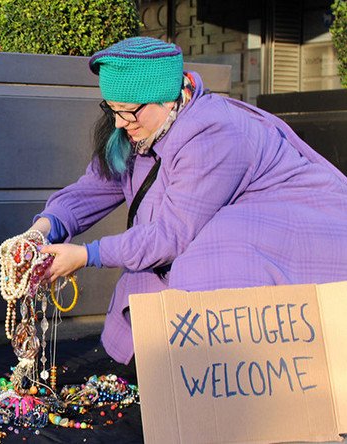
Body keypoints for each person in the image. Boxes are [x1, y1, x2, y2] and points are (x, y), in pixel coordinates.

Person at [26, 37, 347, 365]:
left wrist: (85, 255)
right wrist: (45, 226)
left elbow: (170, 235)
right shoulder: (140, 128)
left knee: (216, 260)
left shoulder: (216, 134)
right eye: (112, 109)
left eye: (129, 111)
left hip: (291, 250)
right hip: (210, 258)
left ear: (166, 99)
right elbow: (94, 188)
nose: (120, 123)